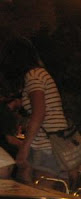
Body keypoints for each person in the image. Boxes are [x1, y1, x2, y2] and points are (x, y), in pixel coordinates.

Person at [0, 36, 68, 184]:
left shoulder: (33, 76)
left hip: (47, 145)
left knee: (41, 190)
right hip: (54, 142)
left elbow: (39, 113)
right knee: (26, 178)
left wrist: (24, 147)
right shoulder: (39, 74)